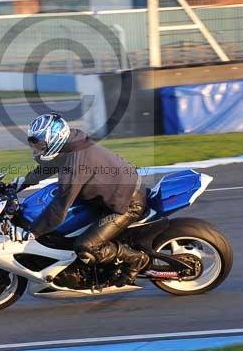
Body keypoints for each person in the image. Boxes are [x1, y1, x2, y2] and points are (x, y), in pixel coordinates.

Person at [14, 113, 150, 287]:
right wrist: (21, 184)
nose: (37, 148)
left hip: (127, 203)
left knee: (86, 246)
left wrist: (33, 231)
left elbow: (60, 205)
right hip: (110, 194)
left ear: (55, 139)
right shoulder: (70, 142)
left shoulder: (76, 163)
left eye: (41, 144)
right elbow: (49, 166)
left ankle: (135, 260)